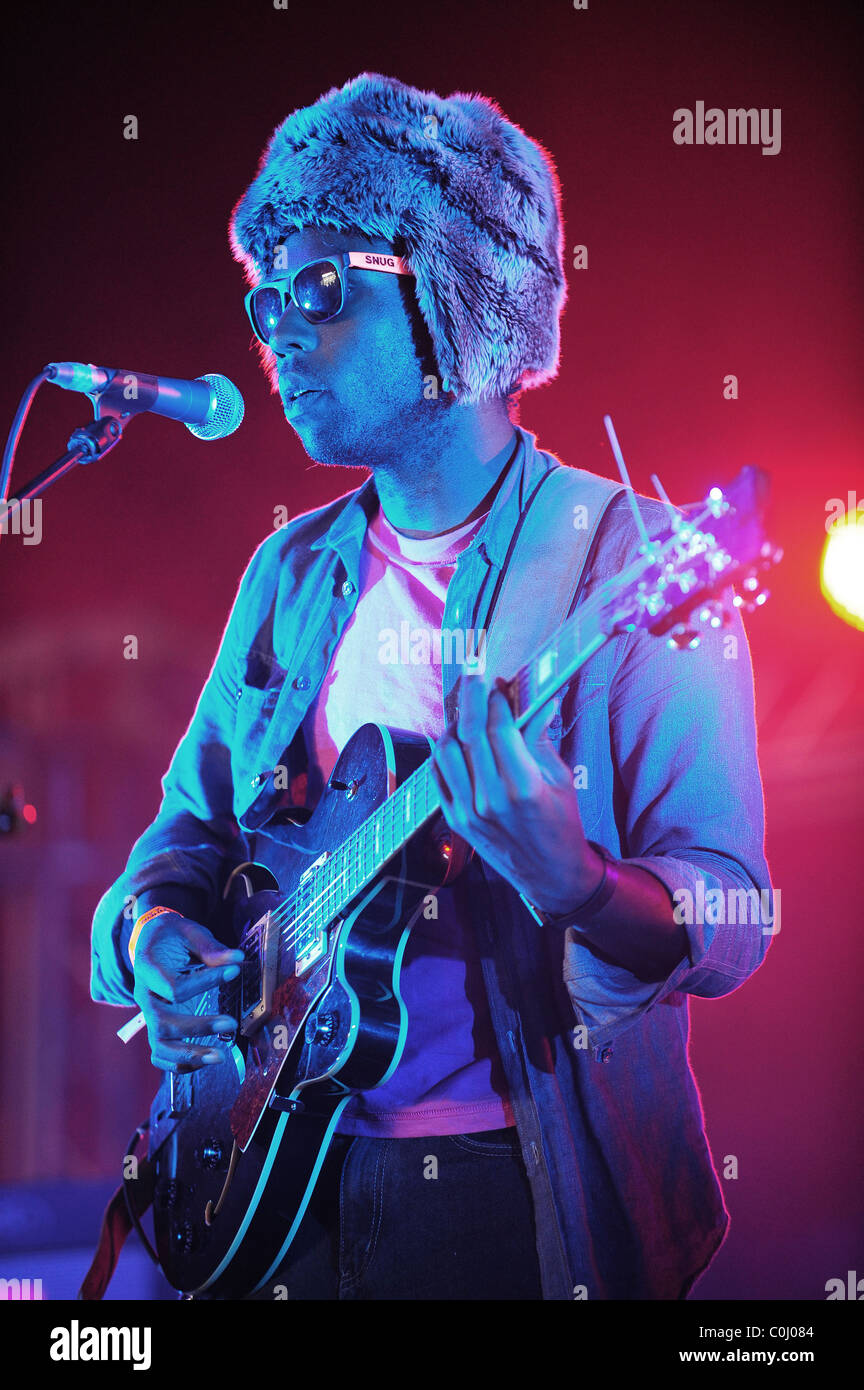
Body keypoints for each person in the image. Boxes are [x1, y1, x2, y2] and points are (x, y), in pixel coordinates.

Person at [90, 72, 773, 1301]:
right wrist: (152, 938)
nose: (276, 331)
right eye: (264, 299)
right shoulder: (288, 571)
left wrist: (580, 883)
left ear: (456, 296)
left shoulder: (628, 563)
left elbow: (735, 917)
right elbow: (181, 837)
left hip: (519, 1204)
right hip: (270, 1191)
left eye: (320, 287)